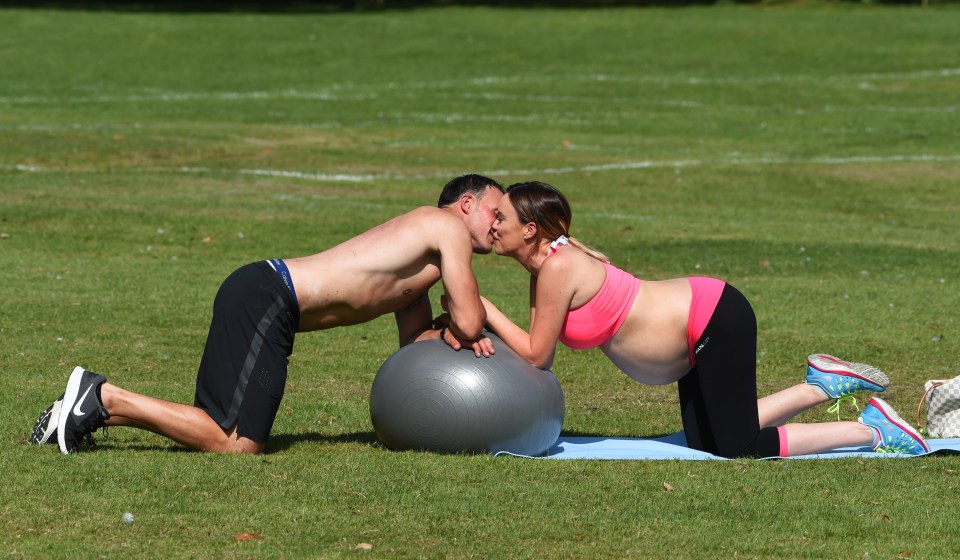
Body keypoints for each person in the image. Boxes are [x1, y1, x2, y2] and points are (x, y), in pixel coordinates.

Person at [30, 174, 504, 455]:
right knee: (237, 445)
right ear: (467, 204)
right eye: (496, 213)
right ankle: (104, 396)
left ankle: (78, 414)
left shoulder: (421, 261)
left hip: (265, 297)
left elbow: (414, 347)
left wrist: (441, 331)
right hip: (268, 298)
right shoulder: (446, 227)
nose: (499, 226)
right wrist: (467, 325)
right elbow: (467, 322)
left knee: (215, 426)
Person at [478, 181, 929, 458]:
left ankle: (872, 431)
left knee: (739, 447)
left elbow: (536, 354)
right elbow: (541, 356)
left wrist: (482, 307)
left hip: (711, 318)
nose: (493, 225)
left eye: (501, 218)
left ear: (531, 230)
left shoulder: (557, 268)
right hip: (692, 337)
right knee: (705, 440)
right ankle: (821, 386)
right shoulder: (544, 272)